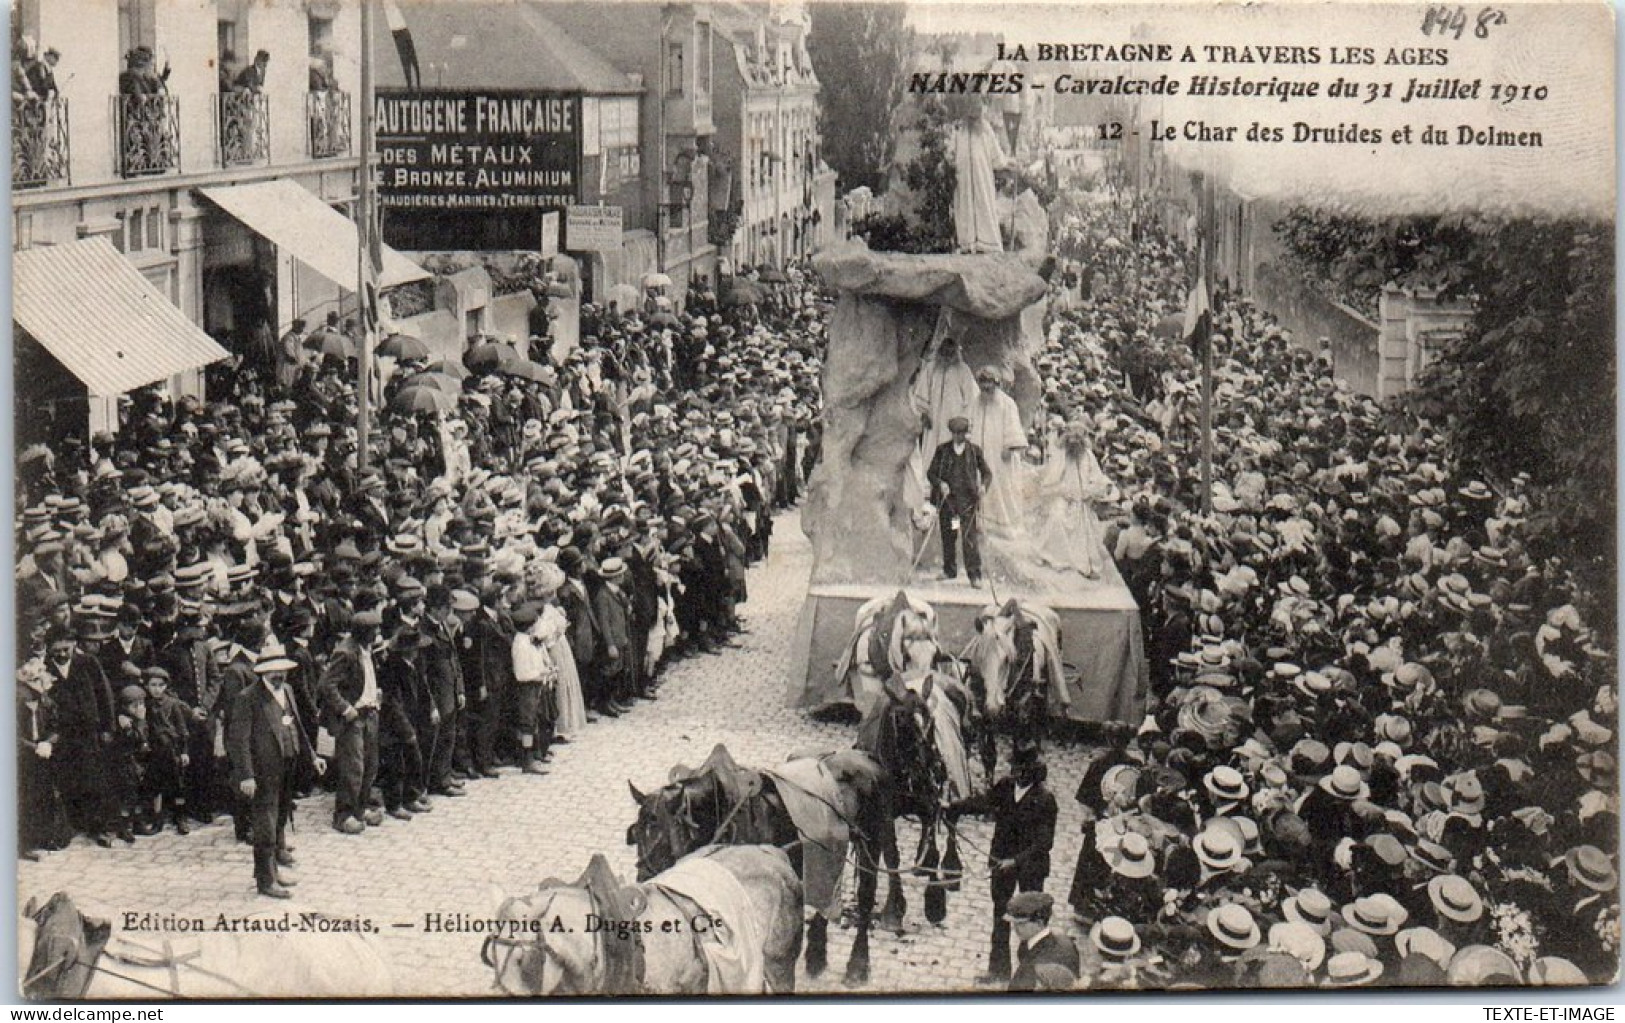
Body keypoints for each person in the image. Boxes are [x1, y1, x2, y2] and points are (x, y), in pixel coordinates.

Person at [949, 743, 1059, 983]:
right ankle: (998, 970)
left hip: (1030, 867)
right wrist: (955, 808)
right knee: (1000, 916)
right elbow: (984, 803)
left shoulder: (1045, 799)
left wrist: (1015, 861)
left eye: (1020, 769)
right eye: (1013, 767)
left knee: (1029, 923)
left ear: (1033, 771)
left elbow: (1044, 843)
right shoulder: (1006, 786)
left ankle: (1026, 976)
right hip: (1001, 862)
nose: (1015, 773)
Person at [228, 649, 323, 899]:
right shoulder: (248, 698)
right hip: (263, 772)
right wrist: (246, 775)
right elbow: (239, 740)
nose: (279, 674)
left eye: (282, 670)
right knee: (265, 827)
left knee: (280, 820)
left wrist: (312, 756)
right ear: (262, 672)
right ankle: (265, 880)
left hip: (288, 767)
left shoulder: (288, 691)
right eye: (273, 671)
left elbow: (297, 726)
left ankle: (274, 870)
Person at [318, 610, 383, 835]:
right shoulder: (344, 652)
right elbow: (327, 685)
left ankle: (360, 808)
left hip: (371, 712)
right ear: (364, 632)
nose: (378, 633)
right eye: (374, 629)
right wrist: (345, 708)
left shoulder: (367, 649)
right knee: (352, 767)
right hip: (353, 718)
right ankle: (343, 815)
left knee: (370, 765)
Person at [1030, 420, 1114, 579]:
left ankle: (1081, 563)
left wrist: (1097, 488)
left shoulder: (1088, 456)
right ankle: (1055, 557)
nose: (1074, 442)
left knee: (1084, 525)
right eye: (1072, 438)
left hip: (1081, 499)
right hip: (1062, 496)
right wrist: (1062, 491)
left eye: (1078, 439)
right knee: (1057, 518)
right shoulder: (1061, 454)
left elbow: (1096, 476)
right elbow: (1052, 479)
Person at [926, 416, 991, 585]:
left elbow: (987, 473)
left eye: (960, 433)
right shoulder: (942, 450)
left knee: (969, 537)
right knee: (949, 535)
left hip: (967, 503)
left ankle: (975, 575)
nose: (957, 436)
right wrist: (940, 484)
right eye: (954, 433)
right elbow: (931, 473)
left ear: (966, 433)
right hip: (949, 504)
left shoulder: (974, 451)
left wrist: (983, 486)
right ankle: (950, 570)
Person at [966, 366, 1029, 539]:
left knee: (1002, 488)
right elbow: (969, 425)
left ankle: (1004, 526)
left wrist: (1009, 447)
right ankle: (982, 524)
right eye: (983, 384)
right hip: (980, 453)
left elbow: (1013, 428)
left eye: (989, 384)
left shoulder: (1007, 403)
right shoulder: (975, 402)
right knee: (981, 486)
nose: (986, 388)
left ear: (997, 383)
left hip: (1000, 455)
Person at [1005, 891, 1081, 991]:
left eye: (1021, 924)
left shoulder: (1035, 969)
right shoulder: (1065, 941)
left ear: (1039, 923)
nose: (1015, 928)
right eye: (1014, 923)